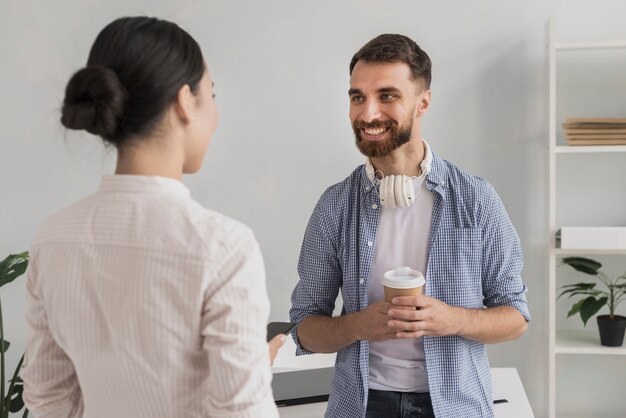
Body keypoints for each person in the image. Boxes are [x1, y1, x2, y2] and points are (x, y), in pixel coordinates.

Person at [21, 16, 283, 418]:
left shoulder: (52, 239)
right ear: (183, 101)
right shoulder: (224, 246)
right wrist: (255, 375)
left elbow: (48, 401)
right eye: (210, 95)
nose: (214, 117)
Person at [290, 34, 530, 418]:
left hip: (456, 406)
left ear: (423, 103)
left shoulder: (477, 199)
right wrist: (356, 326)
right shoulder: (334, 206)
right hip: (363, 405)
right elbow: (304, 329)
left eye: (387, 96)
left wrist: (453, 319)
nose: (367, 114)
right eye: (357, 97)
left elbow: (516, 318)